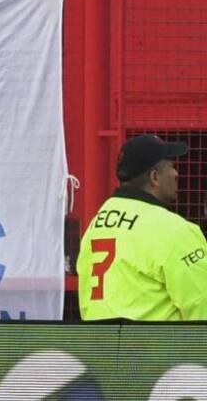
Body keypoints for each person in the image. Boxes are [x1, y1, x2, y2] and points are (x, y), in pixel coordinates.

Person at [77, 134, 207, 320]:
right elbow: (202, 304)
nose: (177, 174)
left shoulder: (96, 226)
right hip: (154, 347)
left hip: (100, 346)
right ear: (155, 177)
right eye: (171, 166)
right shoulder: (173, 229)